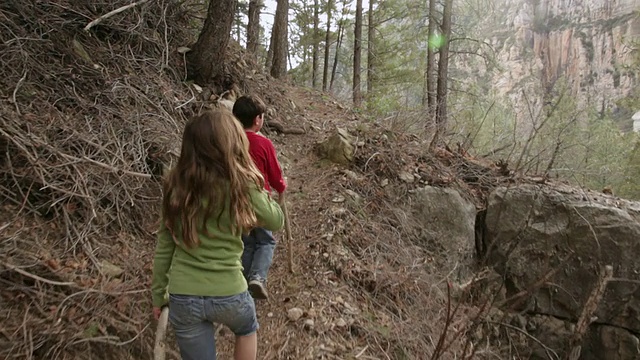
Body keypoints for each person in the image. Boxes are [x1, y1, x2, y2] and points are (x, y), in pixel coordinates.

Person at [151, 109, 284, 360]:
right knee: (246, 328)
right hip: (229, 292)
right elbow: (276, 220)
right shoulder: (240, 183)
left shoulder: (175, 185)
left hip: (183, 294)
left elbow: (164, 246)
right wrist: (258, 185)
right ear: (233, 142)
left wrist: (159, 295)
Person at [232, 95, 286, 300]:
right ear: (258, 120)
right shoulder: (263, 143)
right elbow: (274, 174)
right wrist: (281, 186)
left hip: (237, 200)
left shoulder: (230, 142)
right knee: (266, 242)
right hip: (260, 201)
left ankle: (244, 282)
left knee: (247, 242)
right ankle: (258, 277)